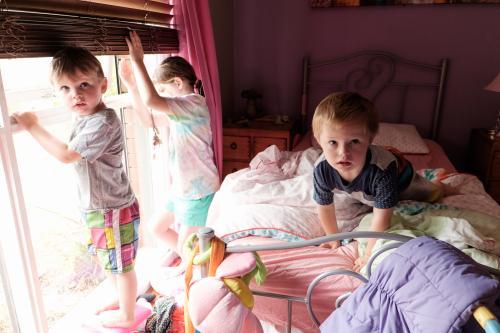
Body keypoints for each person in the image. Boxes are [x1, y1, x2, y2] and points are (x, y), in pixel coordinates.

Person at [12, 46, 141, 329]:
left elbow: (66, 155)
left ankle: (128, 314)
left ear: (103, 85)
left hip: (112, 209)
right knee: (110, 262)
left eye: (84, 85)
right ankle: (123, 301)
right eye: (65, 89)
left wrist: (32, 125)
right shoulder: (83, 116)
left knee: (121, 265)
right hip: (98, 207)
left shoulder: (103, 122)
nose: (76, 95)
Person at [119, 31, 220, 268]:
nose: (162, 97)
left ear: (177, 83)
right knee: (156, 228)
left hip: (199, 191)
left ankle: (195, 268)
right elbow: (147, 119)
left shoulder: (194, 104)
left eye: (164, 90)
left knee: (187, 248)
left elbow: (153, 101)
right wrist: (132, 86)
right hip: (182, 189)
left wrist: (138, 62)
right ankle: (193, 258)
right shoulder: (179, 112)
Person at [312, 92, 444, 272]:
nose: (343, 153)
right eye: (333, 142)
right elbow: (325, 206)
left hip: (402, 179)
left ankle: (441, 183)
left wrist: (368, 255)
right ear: (319, 139)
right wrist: (332, 238)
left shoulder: (382, 170)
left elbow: (382, 216)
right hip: (368, 188)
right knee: (367, 195)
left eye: (355, 142)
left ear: (370, 140)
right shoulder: (322, 169)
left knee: (432, 194)